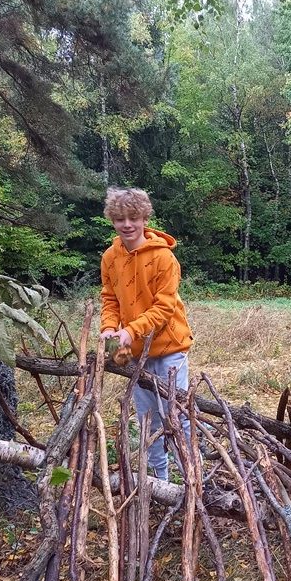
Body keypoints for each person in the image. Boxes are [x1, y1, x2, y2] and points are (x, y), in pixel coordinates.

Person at [100, 187, 193, 481]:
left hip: (170, 351)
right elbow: (110, 299)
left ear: (144, 218)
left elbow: (164, 307)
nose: (127, 224)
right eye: (120, 219)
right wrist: (109, 329)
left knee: (177, 418)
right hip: (134, 354)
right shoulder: (109, 258)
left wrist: (131, 330)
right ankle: (159, 483)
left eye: (133, 217)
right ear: (112, 220)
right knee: (148, 421)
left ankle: (193, 478)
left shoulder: (164, 258)